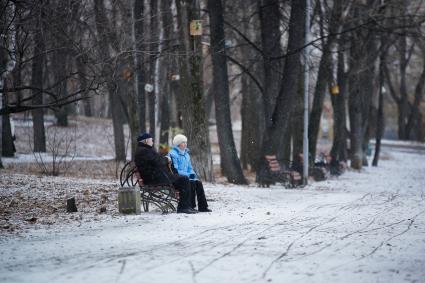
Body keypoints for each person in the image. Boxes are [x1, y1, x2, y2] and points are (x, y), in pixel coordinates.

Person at [134, 133, 197, 214]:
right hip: (154, 178)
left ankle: (187, 206)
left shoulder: (144, 149)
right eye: (151, 140)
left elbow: (156, 160)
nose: (152, 141)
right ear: (146, 141)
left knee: (185, 179)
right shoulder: (144, 151)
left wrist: (165, 160)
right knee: (184, 179)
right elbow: (158, 162)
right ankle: (183, 207)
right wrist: (167, 159)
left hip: (155, 176)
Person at [168, 134, 212, 212]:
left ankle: (203, 207)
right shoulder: (172, 154)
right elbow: (175, 170)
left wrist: (192, 174)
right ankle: (190, 206)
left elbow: (189, 168)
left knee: (198, 183)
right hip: (177, 178)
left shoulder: (186, 154)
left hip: (186, 177)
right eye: (183, 142)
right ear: (178, 144)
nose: (185, 144)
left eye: (186, 142)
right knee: (191, 183)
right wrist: (188, 175)